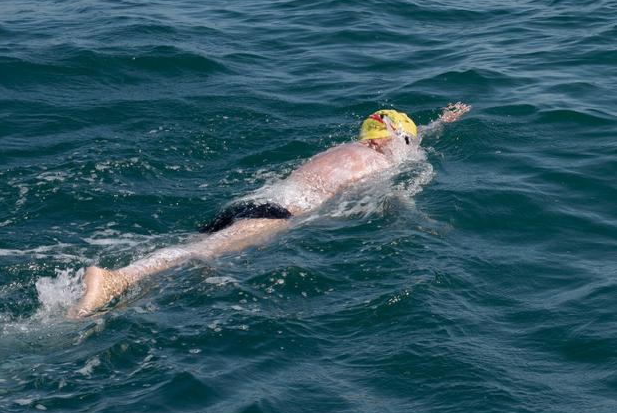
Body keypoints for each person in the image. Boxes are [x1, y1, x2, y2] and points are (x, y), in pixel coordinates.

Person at [68, 102, 471, 318]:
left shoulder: (344, 150)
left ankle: (125, 290)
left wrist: (443, 122)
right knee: (199, 255)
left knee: (191, 254)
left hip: (247, 203)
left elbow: (404, 139)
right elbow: (393, 195)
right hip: (277, 215)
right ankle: (115, 279)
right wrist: (422, 220)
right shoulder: (381, 164)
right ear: (395, 141)